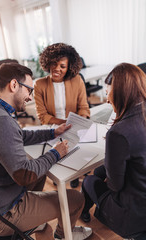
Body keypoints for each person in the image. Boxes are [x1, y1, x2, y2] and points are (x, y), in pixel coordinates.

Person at [0, 63, 92, 240]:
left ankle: (40, 214)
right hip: (2, 213)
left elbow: (17, 136)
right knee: (75, 199)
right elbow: (24, 175)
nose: (29, 97)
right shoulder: (2, 122)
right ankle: (63, 235)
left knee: (41, 173)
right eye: (29, 90)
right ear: (14, 85)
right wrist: (55, 153)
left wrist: (52, 132)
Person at [81, 63, 146, 239]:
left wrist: (112, 168)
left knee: (89, 181)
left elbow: (115, 185)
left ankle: (82, 212)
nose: (107, 101)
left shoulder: (119, 133)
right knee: (101, 170)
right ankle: (84, 211)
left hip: (135, 213)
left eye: (109, 95)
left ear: (122, 95)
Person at [34, 43, 90, 188]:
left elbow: (83, 107)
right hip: (52, 128)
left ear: (69, 67)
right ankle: (59, 174)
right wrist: (63, 123)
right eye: (54, 63)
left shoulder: (77, 81)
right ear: (48, 62)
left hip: (73, 126)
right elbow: (42, 116)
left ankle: (74, 174)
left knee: (75, 151)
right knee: (58, 155)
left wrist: (79, 120)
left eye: (62, 66)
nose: (57, 68)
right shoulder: (39, 85)